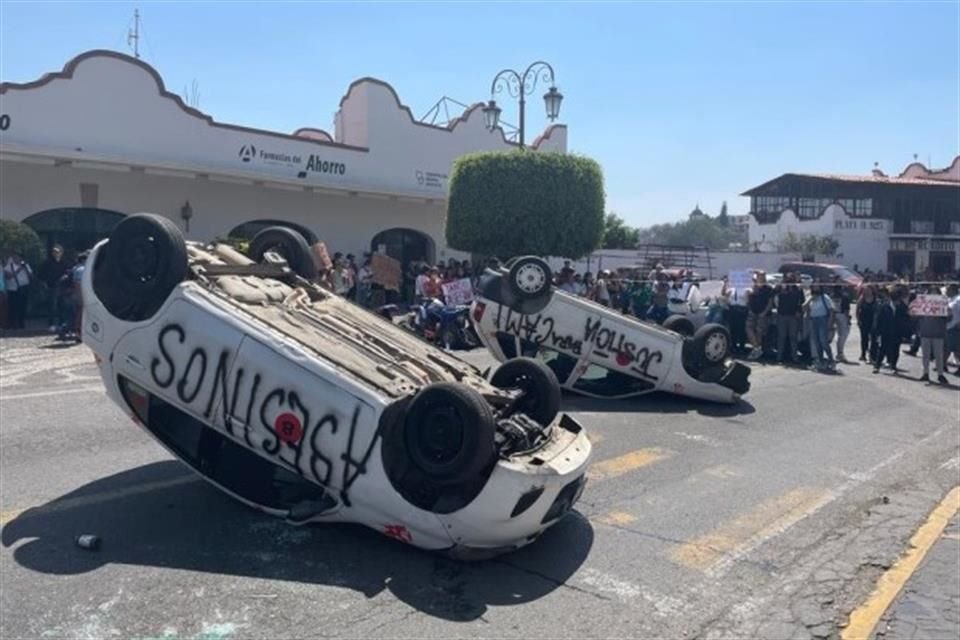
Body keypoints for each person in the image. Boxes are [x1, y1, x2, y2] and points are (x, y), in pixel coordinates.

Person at [916, 285, 949, 384]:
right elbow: (917, 317)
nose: (933, 295)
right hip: (925, 331)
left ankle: (940, 374)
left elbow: (948, 318)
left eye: (935, 292)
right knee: (925, 355)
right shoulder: (923, 304)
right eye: (931, 292)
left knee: (939, 355)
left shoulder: (943, 304)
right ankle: (925, 373)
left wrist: (949, 313)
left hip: (938, 333)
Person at [804, 283, 836, 372]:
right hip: (813, 320)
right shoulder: (809, 297)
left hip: (823, 320)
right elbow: (804, 307)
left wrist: (830, 323)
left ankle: (831, 361)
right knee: (816, 342)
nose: (815, 288)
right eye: (814, 286)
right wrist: (810, 299)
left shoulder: (824, 297)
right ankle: (821, 362)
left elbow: (831, 310)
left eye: (817, 286)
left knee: (823, 342)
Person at [38, 244, 69, 332]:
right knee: (52, 307)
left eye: (58, 252)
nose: (56, 253)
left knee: (62, 306)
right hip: (51, 287)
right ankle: (51, 324)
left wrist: (65, 277)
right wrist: (44, 284)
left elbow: (68, 272)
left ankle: (61, 324)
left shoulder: (64, 262)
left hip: (62, 287)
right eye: (54, 252)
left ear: (62, 253)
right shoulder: (47, 262)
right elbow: (40, 275)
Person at [775, 273, 804, 365]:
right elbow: (773, 295)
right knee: (781, 337)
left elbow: (801, 301)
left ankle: (794, 357)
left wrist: (798, 311)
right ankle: (779, 357)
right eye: (787, 278)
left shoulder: (797, 288)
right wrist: (779, 286)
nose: (789, 279)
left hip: (793, 316)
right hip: (782, 315)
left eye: (791, 278)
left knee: (793, 337)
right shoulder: (781, 288)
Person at [874, 288, 903, 374]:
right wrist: (877, 331)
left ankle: (893, 365)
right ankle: (877, 365)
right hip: (885, 331)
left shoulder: (902, 307)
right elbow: (879, 319)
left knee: (896, 350)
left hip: (897, 331)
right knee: (882, 349)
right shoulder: (884, 306)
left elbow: (905, 320)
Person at [746, 271, 774, 360]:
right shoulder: (753, 288)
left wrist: (764, 312)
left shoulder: (768, 288)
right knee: (748, 328)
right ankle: (757, 348)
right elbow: (749, 300)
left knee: (759, 331)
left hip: (763, 313)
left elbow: (770, 302)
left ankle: (757, 350)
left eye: (761, 276)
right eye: (758, 276)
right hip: (753, 312)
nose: (760, 278)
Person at [2, 252, 33, 330]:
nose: (17, 258)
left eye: (18, 257)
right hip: (13, 289)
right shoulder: (8, 267)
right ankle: (13, 323)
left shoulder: (26, 265)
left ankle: (21, 322)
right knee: (13, 307)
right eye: (15, 257)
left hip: (24, 287)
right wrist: (19, 270)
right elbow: (9, 276)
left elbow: (30, 275)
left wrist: (25, 268)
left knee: (23, 306)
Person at [857, 285, 880, 363]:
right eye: (866, 290)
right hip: (863, 321)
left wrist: (875, 322)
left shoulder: (875, 300)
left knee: (874, 340)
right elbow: (857, 310)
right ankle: (863, 354)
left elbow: (877, 312)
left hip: (873, 321)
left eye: (869, 290)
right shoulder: (861, 299)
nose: (867, 291)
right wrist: (858, 320)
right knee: (864, 339)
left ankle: (872, 356)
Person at [831, 281, 853, 363]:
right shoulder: (844, 296)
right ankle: (840, 353)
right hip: (842, 315)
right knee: (843, 334)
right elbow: (846, 310)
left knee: (839, 335)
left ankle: (839, 352)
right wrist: (848, 320)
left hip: (834, 315)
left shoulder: (831, 296)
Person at [946, 284, 960, 376]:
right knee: (949, 347)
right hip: (949, 327)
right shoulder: (950, 299)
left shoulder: (958, 300)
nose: (946, 291)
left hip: (955, 327)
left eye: (947, 289)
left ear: (953, 290)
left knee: (956, 349)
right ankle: (942, 364)